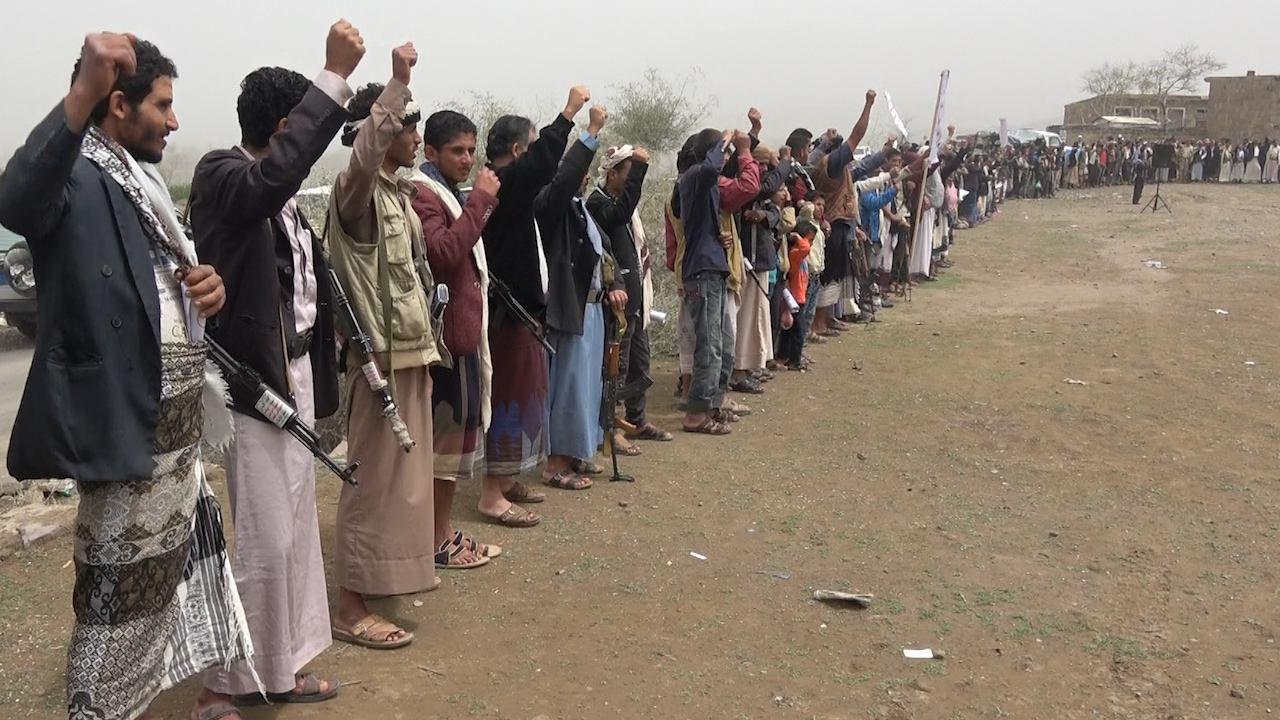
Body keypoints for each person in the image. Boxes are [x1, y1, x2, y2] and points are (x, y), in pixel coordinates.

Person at [0, 33, 250, 720]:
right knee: (113, 599)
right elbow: (16, 202)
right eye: (162, 105)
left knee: (159, 588)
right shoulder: (75, 171)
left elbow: (158, 287)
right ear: (117, 105)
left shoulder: (138, 181)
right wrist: (81, 88)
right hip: (123, 424)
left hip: (173, 431)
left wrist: (208, 288)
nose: (174, 121)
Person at [190, 20, 364, 711]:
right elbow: (270, 180)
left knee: (293, 532)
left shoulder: (280, 196)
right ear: (287, 125)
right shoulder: (223, 175)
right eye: (307, 123)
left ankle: (281, 667)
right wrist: (332, 76)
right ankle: (221, 684)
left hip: (292, 377)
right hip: (251, 384)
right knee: (263, 537)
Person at [326, 41, 442, 650]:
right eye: (406, 125)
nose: (415, 135)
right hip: (377, 365)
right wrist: (395, 86)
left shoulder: (401, 194)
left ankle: (385, 583)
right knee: (371, 485)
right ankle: (349, 606)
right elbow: (364, 156)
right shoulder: (358, 192)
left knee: (404, 487)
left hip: (411, 357)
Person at [477, 86, 590, 525]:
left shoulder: (508, 189)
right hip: (508, 316)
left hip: (521, 314)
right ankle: (491, 493)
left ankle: (505, 480)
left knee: (522, 397)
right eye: (532, 142)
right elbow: (544, 165)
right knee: (507, 399)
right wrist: (569, 114)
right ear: (517, 151)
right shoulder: (504, 185)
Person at [408, 110, 503, 569]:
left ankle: (441, 532)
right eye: (456, 151)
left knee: (454, 447)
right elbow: (443, 252)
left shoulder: (446, 190)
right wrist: (480, 201)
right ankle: (437, 540)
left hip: (461, 339)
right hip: (444, 344)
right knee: (443, 452)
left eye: (471, 150)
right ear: (431, 152)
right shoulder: (423, 193)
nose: (467, 159)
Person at [538, 104, 618, 489]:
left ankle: (576, 454)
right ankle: (555, 464)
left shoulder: (580, 210)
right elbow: (565, 179)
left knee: (587, 386)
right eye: (578, 171)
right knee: (569, 386)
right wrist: (591, 131)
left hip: (593, 310)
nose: (584, 177)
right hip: (571, 310)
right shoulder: (551, 206)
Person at [587, 144, 673, 451]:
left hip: (635, 302)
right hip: (617, 305)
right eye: (628, 173)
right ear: (612, 175)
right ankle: (609, 428)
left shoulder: (620, 205)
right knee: (616, 368)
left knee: (639, 363)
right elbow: (619, 214)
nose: (631, 180)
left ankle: (637, 421)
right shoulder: (598, 204)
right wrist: (640, 168)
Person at [676, 128, 739, 435]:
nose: (725, 158)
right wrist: (725, 139)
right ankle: (696, 413)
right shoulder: (694, 176)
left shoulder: (705, 182)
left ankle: (712, 404)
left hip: (712, 268)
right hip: (702, 272)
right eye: (723, 152)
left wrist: (719, 238)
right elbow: (713, 166)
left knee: (723, 343)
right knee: (709, 345)